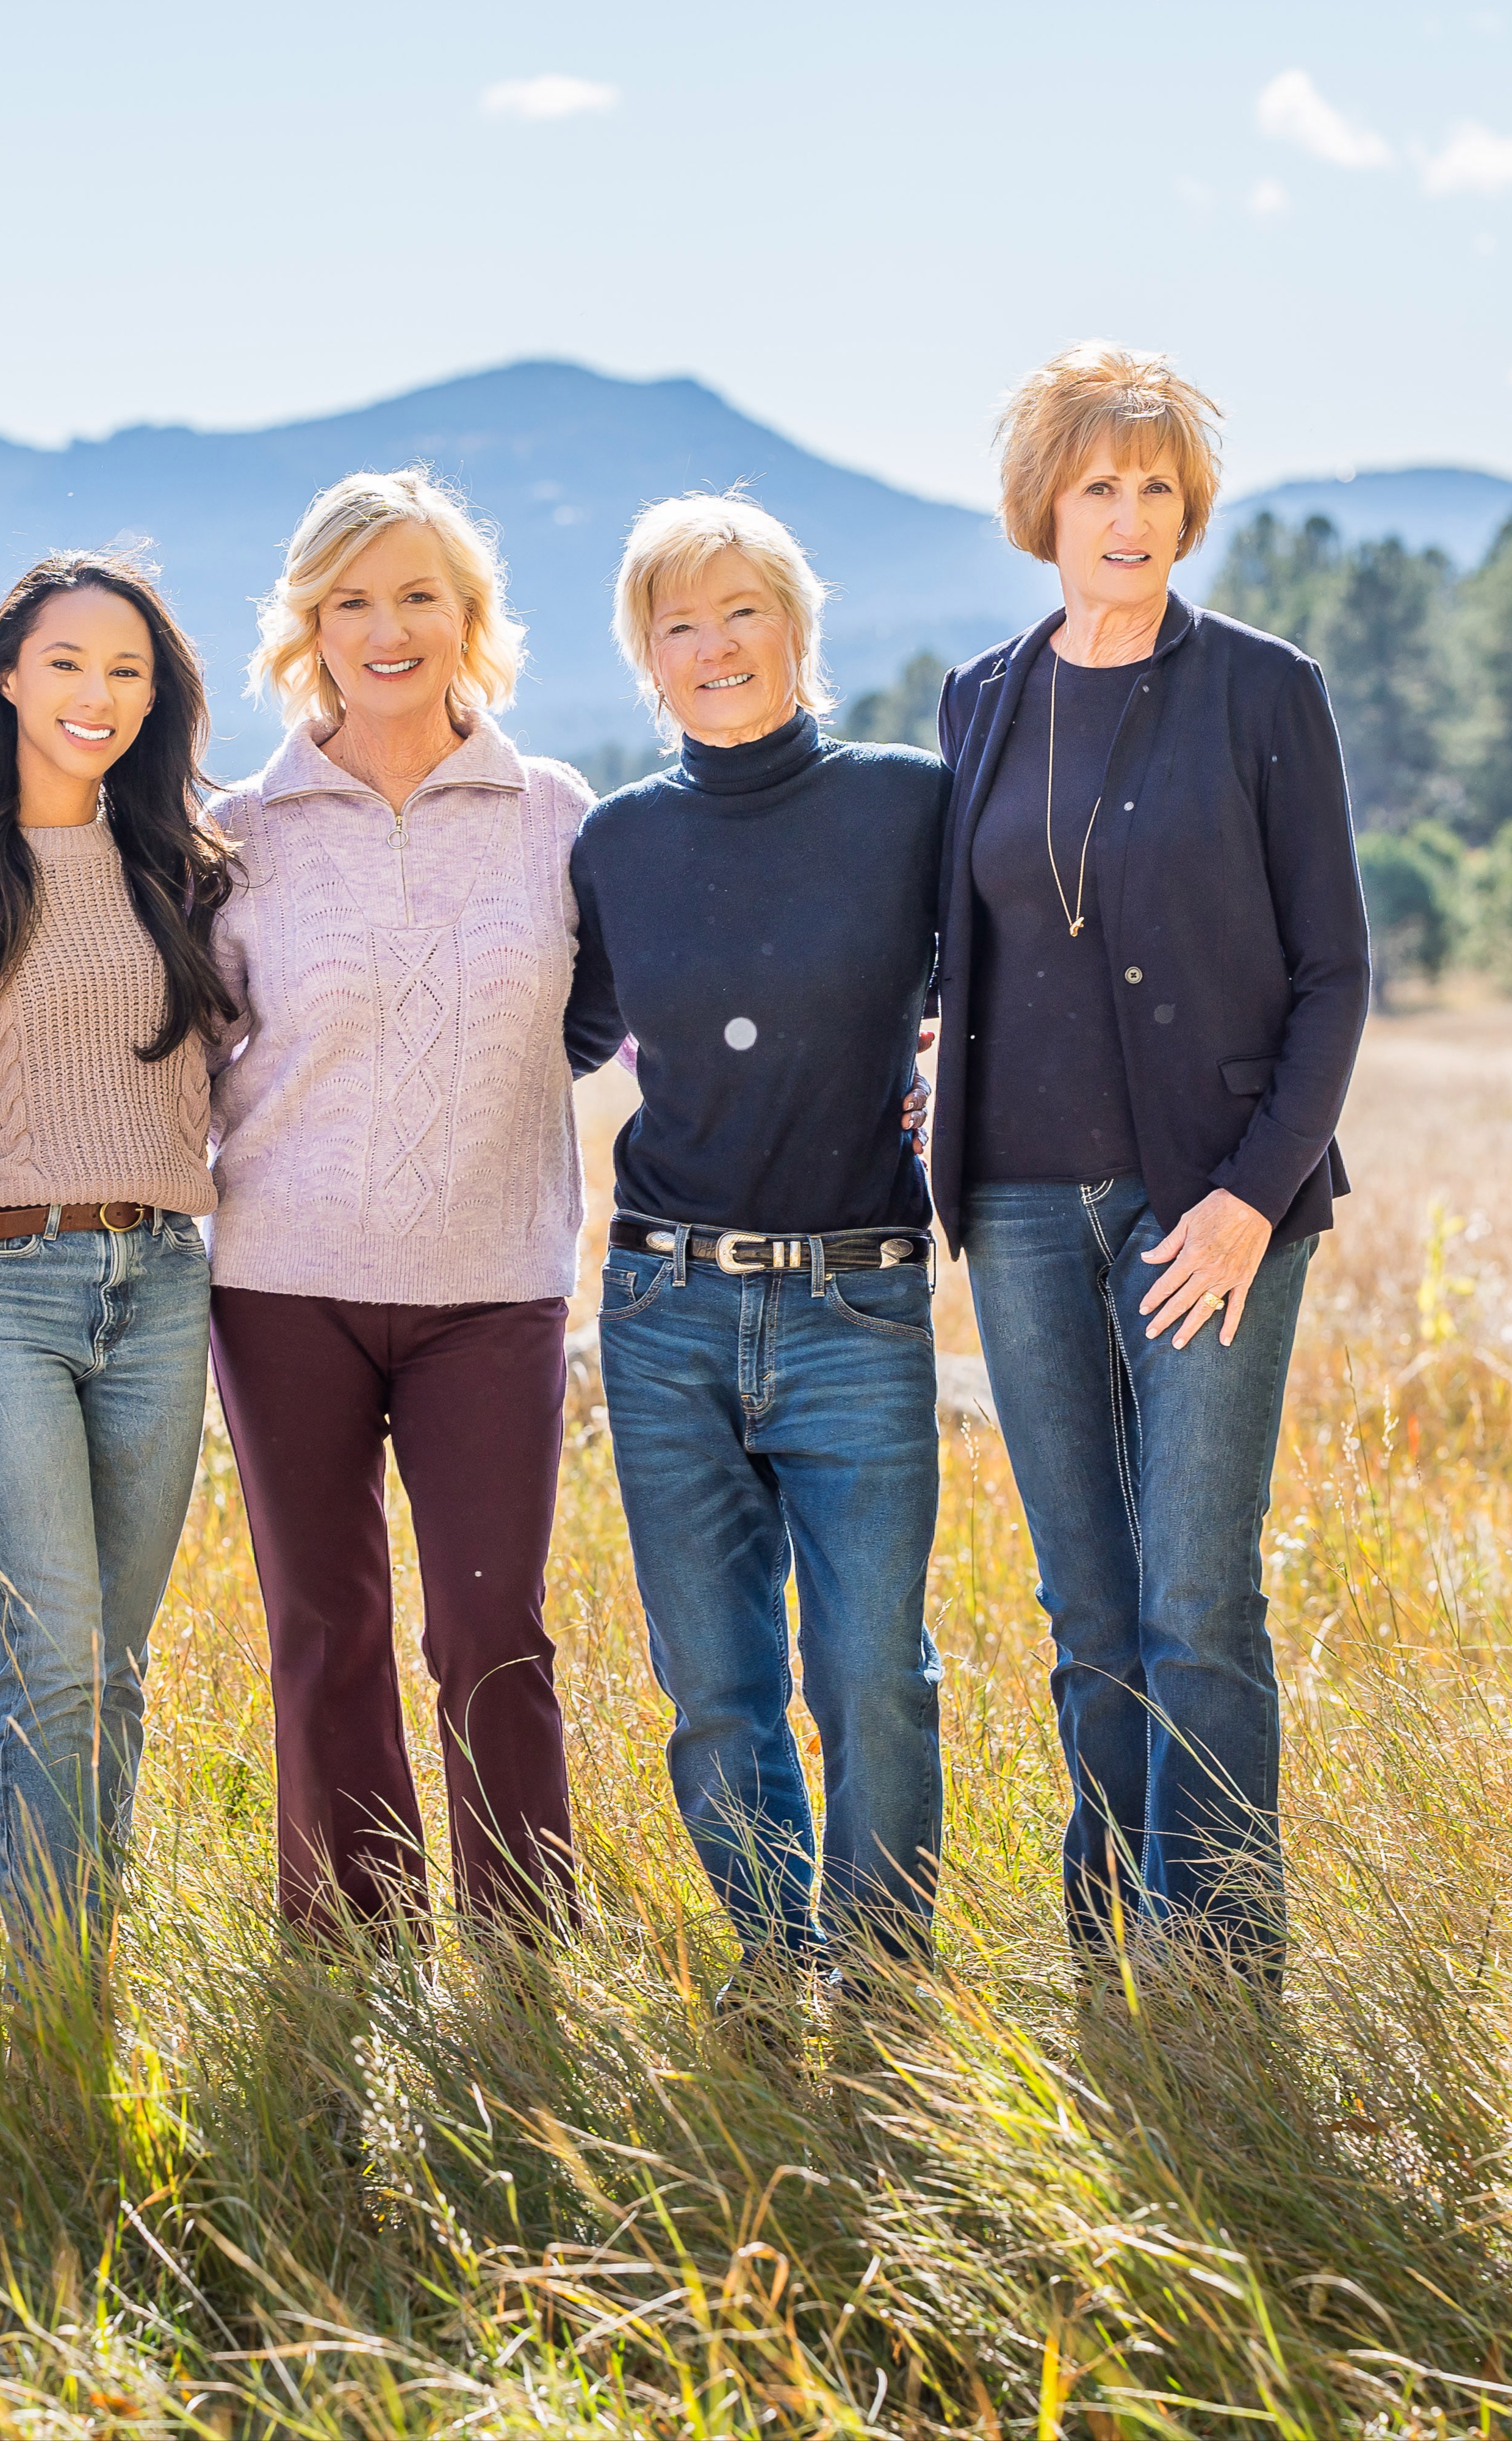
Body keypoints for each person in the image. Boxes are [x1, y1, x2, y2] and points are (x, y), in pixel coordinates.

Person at [929, 343, 1369, 1977]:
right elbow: (965, 942)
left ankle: (1228, 1970)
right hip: (1022, 1214)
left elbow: (1336, 971)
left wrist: (1254, 1201)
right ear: (1044, 501)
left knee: (1195, 1601)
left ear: (1191, 514)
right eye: (1101, 486)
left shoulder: (1265, 691)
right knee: (1088, 1610)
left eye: (1160, 490)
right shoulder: (982, 697)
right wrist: (931, 1059)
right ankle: (1114, 1945)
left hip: (1214, 1210)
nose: (1131, 517)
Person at [565, 494, 949, 2033]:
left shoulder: (907, 805)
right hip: (662, 1303)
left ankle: (880, 1980)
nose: (713, 645)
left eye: (740, 612)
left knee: (870, 1673)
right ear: (644, 660)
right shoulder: (618, 839)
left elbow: (1006, 983)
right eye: (678, 623)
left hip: (858, 1294)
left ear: (797, 625)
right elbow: (556, 1030)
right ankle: (779, 1966)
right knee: (714, 1683)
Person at [204, 469, 588, 1942]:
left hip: (492, 1283)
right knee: (324, 1629)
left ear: (469, 616)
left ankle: (520, 1957)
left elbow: (632, 1011)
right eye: (351, 599)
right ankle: (354, 1953)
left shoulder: (554, 814)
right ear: (307, 623)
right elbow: (168, 1049)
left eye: (417, 594)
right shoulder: (241, 832)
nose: (386, 627)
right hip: (281, 1283)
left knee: (489, 1628)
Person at [0, 553, 232, 1966]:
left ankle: (87, 1973)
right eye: (68, 662)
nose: (96, 694)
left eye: (127, 670)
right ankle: (51, 2004)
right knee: (56, 1661)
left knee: (114, 1672)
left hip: (160, 1286)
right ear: (7, 673)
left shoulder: (186, 867)